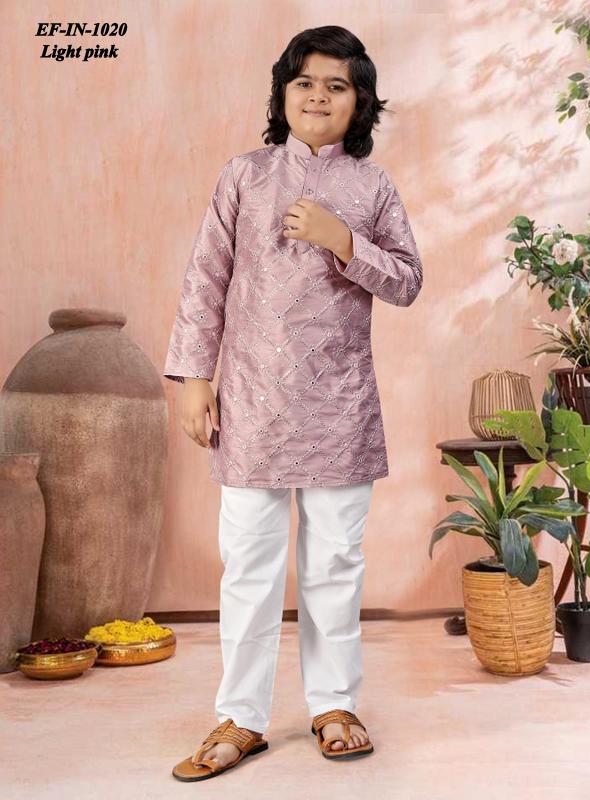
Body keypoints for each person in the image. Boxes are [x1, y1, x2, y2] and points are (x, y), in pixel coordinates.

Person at [166, 25, 423, 782]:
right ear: (283, 94)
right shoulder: (244, 176)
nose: (318, 96)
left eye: (337, 85)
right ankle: (240, 718)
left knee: (335, 561)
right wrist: (195, 378)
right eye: (305, 82)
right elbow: (206, 278)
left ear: (359, 102)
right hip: (251, 398)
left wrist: (345, 240)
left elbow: (407, 281)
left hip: (339, 403)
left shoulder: (373, 188)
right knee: (249, 562)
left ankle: (334, 705)